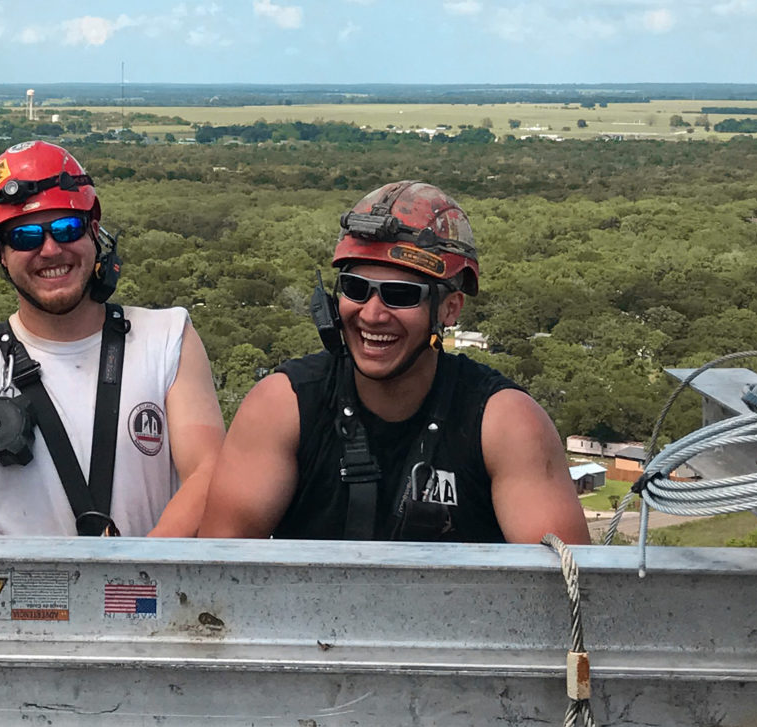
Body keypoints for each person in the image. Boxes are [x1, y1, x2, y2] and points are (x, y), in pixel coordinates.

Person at [198, 181, 587, 544]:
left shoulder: (504, 424)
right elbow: (217, 575)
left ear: (449, 309)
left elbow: (568, 590)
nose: (372, 314)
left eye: (400, 294)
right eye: (356, 288)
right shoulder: (284, 406)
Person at [0, 141, 223, 537]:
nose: (50, 249)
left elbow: (209, 471)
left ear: (95, 233)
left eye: (67, 228)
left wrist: (135, 577)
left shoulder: (167, 340)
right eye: (26, 237)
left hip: (142, 596)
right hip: (7, 599)